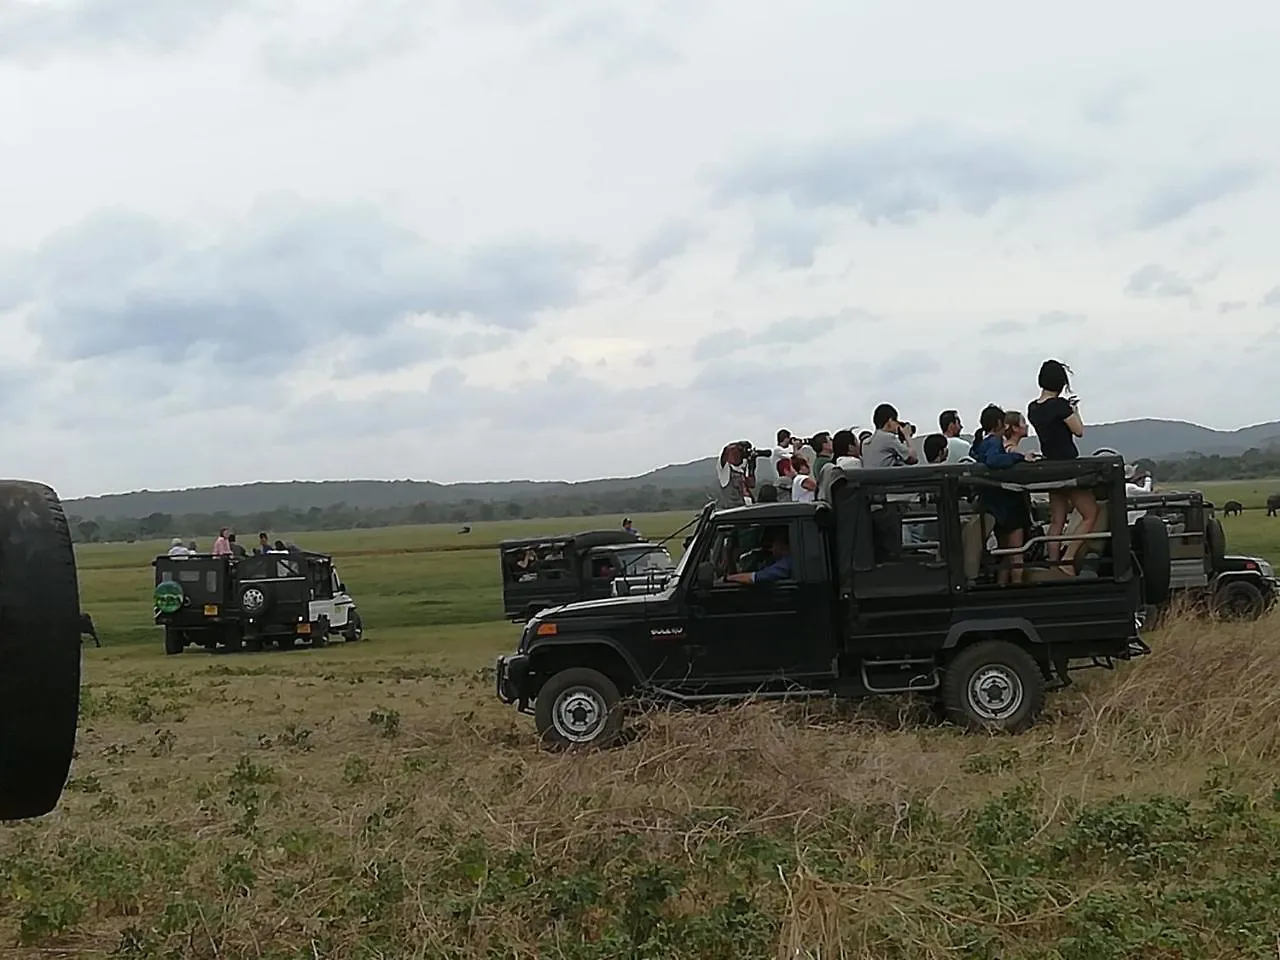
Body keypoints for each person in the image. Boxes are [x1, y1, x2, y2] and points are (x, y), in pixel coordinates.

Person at [1028, 359, 1097, 565]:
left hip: (1050, 466)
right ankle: (1068, 558)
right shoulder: (1059, 406)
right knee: (1091, 513)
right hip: (1068, 466)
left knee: (1057, 520)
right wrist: (1074, 410)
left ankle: (1053, 561)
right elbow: (1079, 430)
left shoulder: (1033, 408)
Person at [971, 405, 1034, 584]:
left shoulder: (981, 444)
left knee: (1005, 553)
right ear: (1000, 423)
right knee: (1016, 554)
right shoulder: (994, 443)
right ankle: (1016, 589)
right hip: (1009, 504)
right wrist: (1020, 458)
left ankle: (1002, 586)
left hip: (995, 505)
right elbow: (993, 460)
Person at [724, 527, 792, 584]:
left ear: (785, 545)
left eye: (774, 542)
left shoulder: (788, 563)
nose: (772, 547)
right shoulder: (771, 560)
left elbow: (754, 578)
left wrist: (727, 578)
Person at [715, 443, 750, 509]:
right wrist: (738, 445)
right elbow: (726, 451)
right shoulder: (725, 470)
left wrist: (752, 465)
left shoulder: (742, 469)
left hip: (744, 507)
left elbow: (751, 484)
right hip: (730, 509)